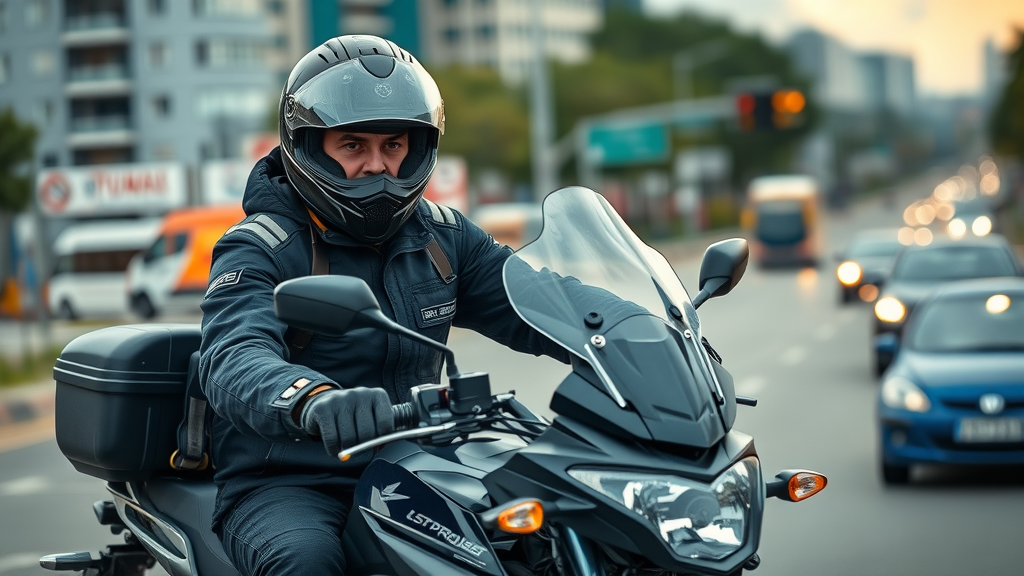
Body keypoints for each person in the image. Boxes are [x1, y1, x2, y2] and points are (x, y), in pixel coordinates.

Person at [198, 34, 570, 575]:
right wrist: (311, 399)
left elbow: (541, 302)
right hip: (294, 481)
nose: (378, 165)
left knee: (554, 529)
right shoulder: (261, 247)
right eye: (353, 146)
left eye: (393, 145)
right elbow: (233, 355)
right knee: (308, 562)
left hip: (423, 464)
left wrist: (643, 330)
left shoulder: (443, 238)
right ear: (308, 147)